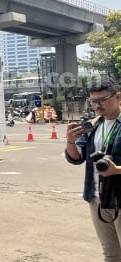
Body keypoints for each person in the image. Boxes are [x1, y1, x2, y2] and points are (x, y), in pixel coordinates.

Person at [65, 77, 121, 260]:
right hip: (96, 198)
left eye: (102, 100)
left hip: (119, 197)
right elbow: (76, 158)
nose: (97, 106)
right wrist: (71, 141)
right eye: (93, 101)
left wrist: (117, 170)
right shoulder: (93, 125)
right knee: (111, 254)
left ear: (118, 97)